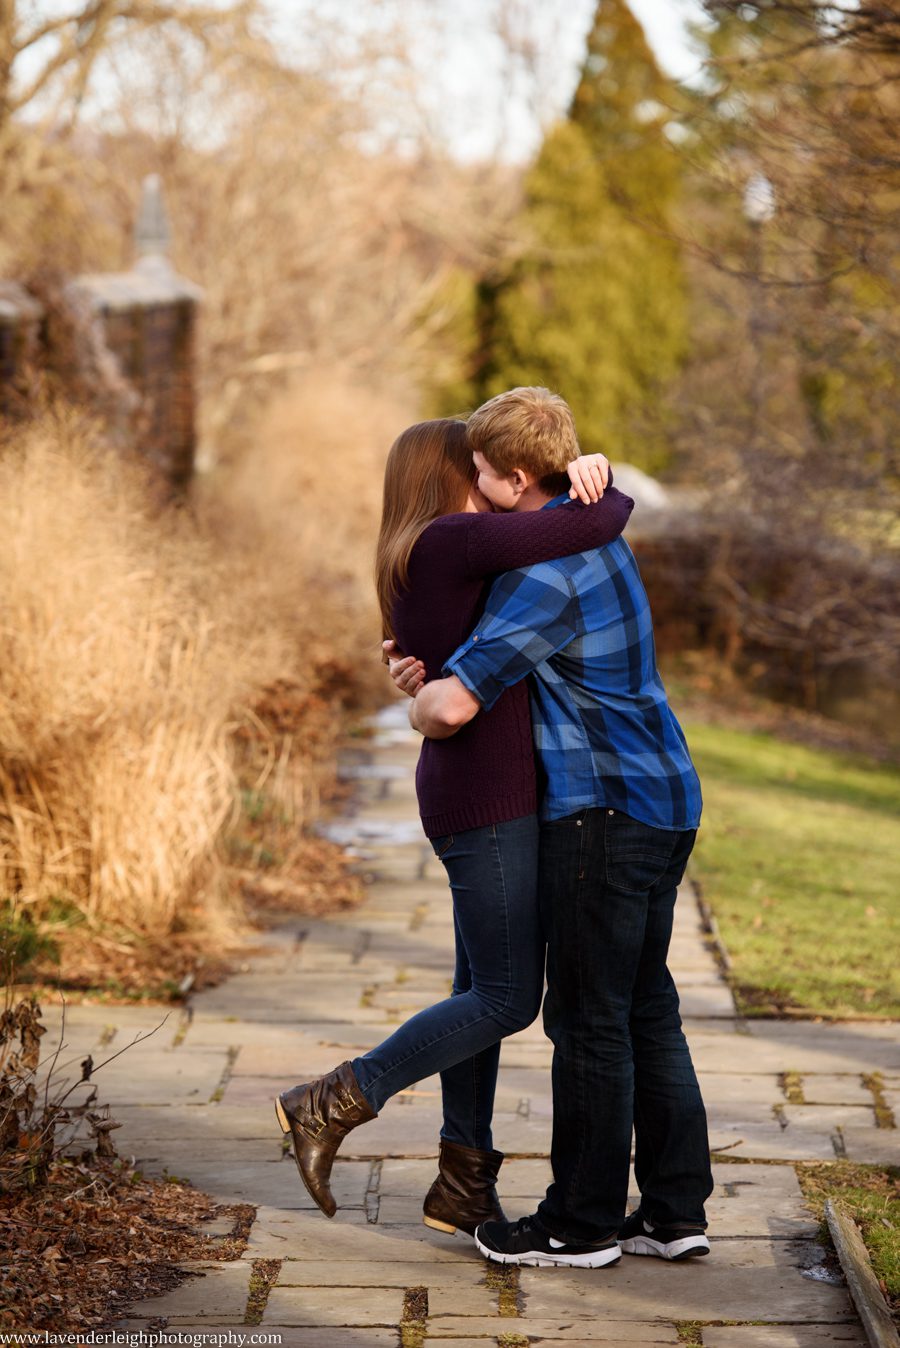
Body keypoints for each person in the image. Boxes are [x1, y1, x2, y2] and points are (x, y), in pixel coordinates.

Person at [275, 415, 634, 1239]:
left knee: (480, 988)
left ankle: (462, 1183)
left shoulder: (426, 549)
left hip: (477, 787)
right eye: (477, 465)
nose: (491, 475)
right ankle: (335, 1099)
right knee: (508, 998)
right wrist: (596, 475)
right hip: (488, 794)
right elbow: (596, 519)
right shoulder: (452, 538)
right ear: (449, 475)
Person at [393, 386, 714, 1270]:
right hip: (667, 796)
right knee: (650, 1010)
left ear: (513, 479)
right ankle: (676, 1211)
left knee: (588, 1022)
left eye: (484, 472)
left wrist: (415, 696)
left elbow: (454, 705)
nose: (476, 485)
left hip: (605, 813)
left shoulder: (542, 574)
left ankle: (579, 1224)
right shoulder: (599, 538)